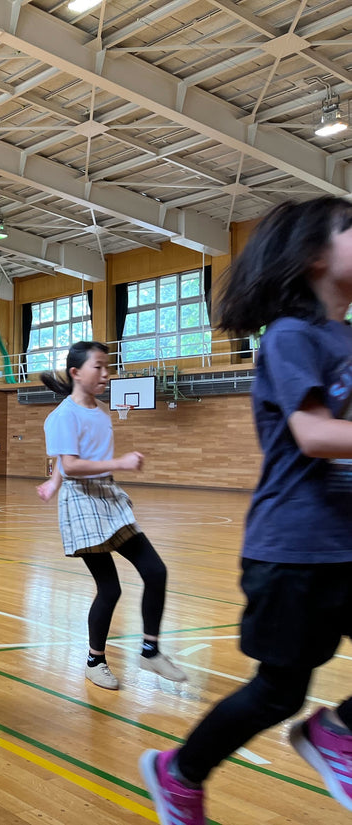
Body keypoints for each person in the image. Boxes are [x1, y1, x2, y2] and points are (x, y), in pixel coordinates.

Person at [141, 196, 352, 824]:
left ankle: (334, 732)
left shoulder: (344, 337)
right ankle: (178, 773)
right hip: (293, 549)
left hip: (343, 541)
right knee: (277, 693)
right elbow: (314, 434)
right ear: (316, 256)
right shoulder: (291, 337)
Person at [36, 341, 185, 691]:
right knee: (110, 588)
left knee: (155, 571)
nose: (106, 373)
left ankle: (150, 650)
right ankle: (95, 661)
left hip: (107, 495)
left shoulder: (101, 411)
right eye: (98, 367)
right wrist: (65, 480)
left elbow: (65, 461)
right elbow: (70, 464)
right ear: (76, 373)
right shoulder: (61, 416)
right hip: (83, 503)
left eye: (108, 367)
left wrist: (51, 482)